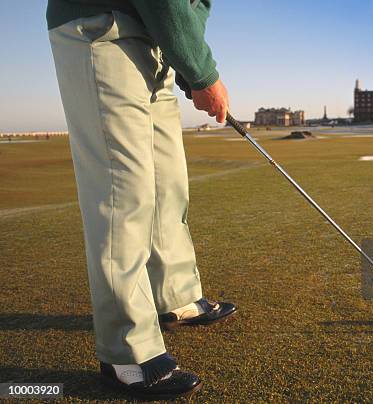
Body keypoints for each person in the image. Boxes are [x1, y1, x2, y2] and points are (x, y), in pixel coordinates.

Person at [46, 0, 235, 400]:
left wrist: (185, 60)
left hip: (155, 43)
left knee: (167, 184)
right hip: (102, 28)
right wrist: (202, 73)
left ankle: (176, 298)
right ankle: (126, 352)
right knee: (123, 192)